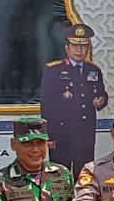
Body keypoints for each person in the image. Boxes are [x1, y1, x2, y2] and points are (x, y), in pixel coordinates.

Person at [39, 22, 108, 175]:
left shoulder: (93, 70)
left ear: (88, 48)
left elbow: (102, 93)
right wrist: (48, 135)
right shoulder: (54, 70)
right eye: (75, 46)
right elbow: (46, 105)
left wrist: (101, 100)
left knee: (84, 173)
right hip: (61, 134)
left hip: (85, 133)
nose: (79, 50)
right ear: (67, 47)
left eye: (83, 46)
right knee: (59, 175)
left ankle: (83, 199)